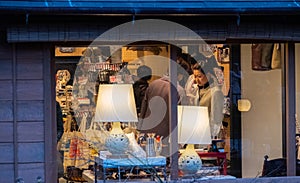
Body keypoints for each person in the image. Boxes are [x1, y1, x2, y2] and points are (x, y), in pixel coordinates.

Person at [137, 63, 188, 156]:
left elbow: (144, 106)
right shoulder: (179, 90)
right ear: (180, 76)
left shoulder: (153, 84)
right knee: (165, 160)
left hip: (148, 129)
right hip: (166, 132)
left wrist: (140, 128)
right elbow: (181, 115)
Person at [185, 56, 224, 139]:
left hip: (209, 135)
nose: (196, 80)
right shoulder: (197, 90)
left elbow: (216, 119)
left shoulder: (215, 92)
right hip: (198, 133)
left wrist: (211, 137)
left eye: (199, 76)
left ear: (208, 75)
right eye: (194, 76)